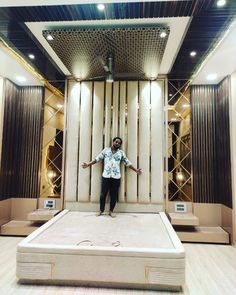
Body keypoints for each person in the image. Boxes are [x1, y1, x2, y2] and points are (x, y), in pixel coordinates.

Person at [82, 137, 142, 217]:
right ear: (113, 142)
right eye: (116, 142)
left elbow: (127, 163)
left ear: (120, 145)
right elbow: (97, 159)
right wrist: (88, 164)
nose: (117, 143)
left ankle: (111, 211)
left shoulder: (121, 153)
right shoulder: (106, 150)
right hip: (106, 176)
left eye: (119, 143)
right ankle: (101, 210)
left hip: (116, 177)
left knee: (114, 195)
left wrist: (136, 170)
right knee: (103, 194)